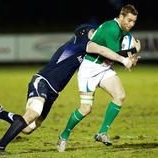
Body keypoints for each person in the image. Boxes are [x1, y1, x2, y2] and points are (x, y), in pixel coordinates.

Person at [0, 23, 136, 155]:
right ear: (83, 33)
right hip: (42, 81)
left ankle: (0, 113)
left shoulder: (89, 53)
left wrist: (133, 51)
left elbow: (108, 53)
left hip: (54, 92)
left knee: (28, 128)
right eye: (92, 32)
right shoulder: (81, 43)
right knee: (32, 113)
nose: (94, 34)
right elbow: (101, 48)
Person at [57, 4, 141, 152]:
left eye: (133, 21)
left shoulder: (124, 32)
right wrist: (131, 53)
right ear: (121, 16)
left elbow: (121, 57)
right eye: (128, 20)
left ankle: (102, 133)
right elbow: (111, 53)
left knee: (120, 96)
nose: (131, 24)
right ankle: (64, 135)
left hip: (104, 68)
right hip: (90, 69)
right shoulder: (111, 28)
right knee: (85, 109)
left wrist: (131, 60)